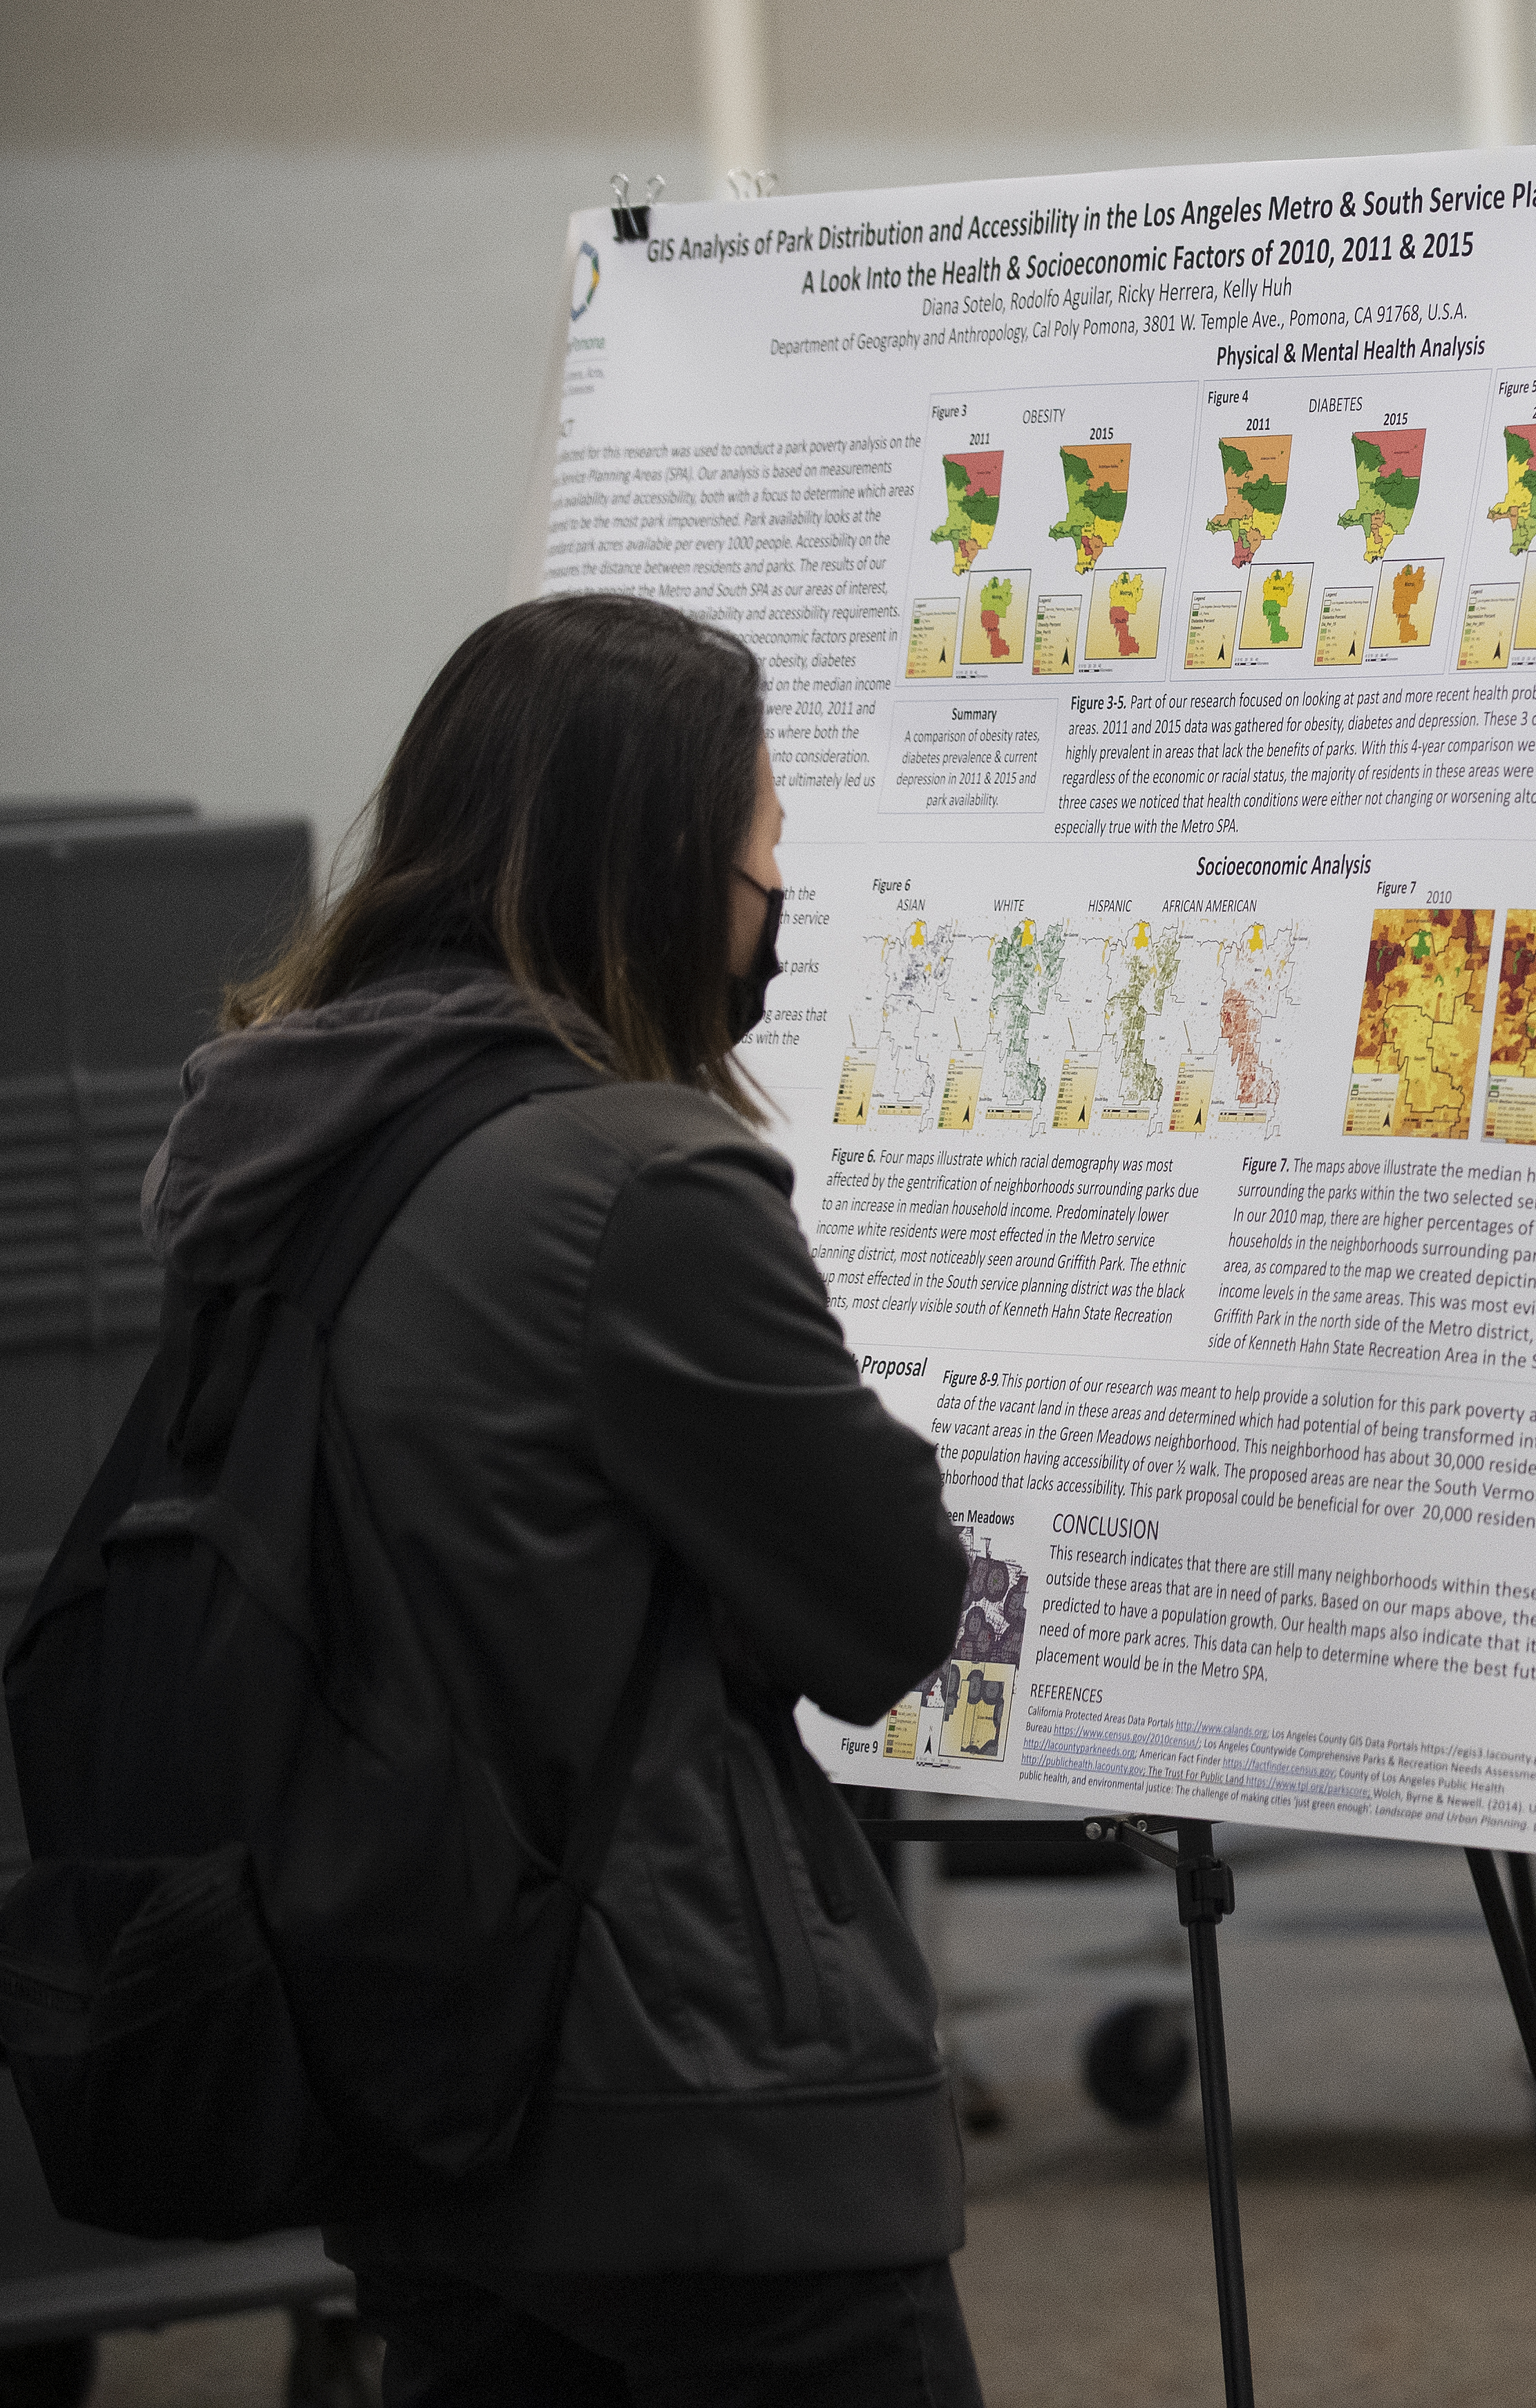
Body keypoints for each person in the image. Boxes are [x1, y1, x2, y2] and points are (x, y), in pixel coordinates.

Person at [146, 593, 980, 2401]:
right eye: (766, 842)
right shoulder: (642, 1186)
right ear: (670, 860)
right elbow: (892, 1607)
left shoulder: (277, 1146)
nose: (779, 892)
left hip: (406, 2056)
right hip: (691, 2088)